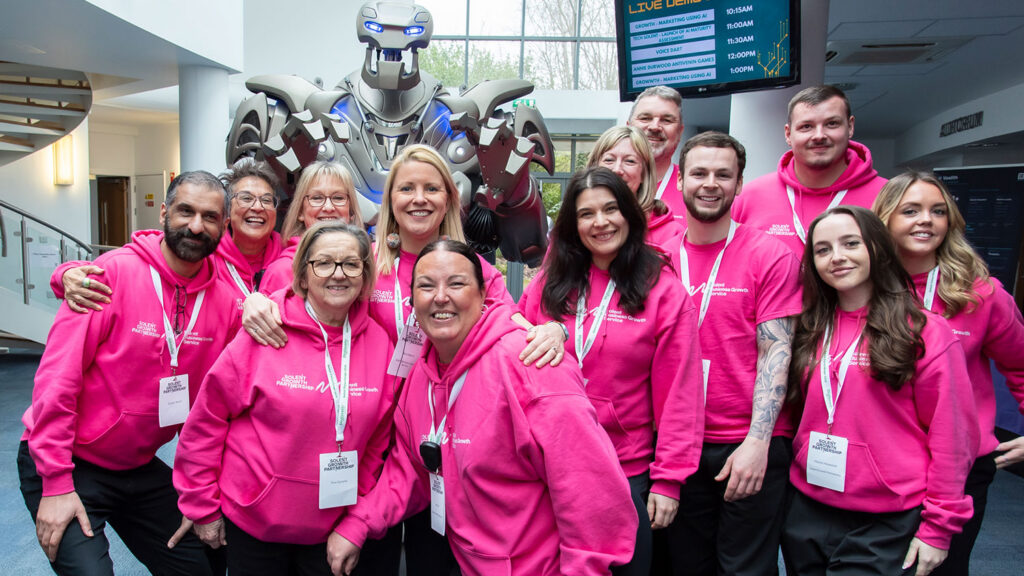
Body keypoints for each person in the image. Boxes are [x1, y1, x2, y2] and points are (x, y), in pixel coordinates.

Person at [328, 240, 639, 576]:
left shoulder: (530, 364)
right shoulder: (421, 376)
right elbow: (410, 471)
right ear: (412, 301)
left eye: (457, 283)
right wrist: (358, 524)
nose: (440, 296)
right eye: (426, 286)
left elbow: (592, 492)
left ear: (483, 295)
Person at [17, 171, 241, 575]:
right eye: (185, 211)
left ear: (224, 226)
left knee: (204, 563)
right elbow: (57, 383)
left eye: (209, 216)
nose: (196, 225)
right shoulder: (108, 276)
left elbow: (219, 407)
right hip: (65, 459)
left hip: (136, 465)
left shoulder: (225, 304)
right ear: (163, 213)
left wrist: (202, 496)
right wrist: (55, 484)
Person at [172, 222, 398, 575]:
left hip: (331, 528)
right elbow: (207, 421)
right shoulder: (265, 331)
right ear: (304, 276)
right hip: (254, 523)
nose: (338, 274)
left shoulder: (381, 345)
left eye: (351, 264)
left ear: (364, 276)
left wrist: (355, 519)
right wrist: (201, 504)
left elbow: (376, 444)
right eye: (324, 263)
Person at [518, 166, 703, 575]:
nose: (600, 222)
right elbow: (515, 347)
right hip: (552, 469)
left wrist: (669, 480)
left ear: (629, 216)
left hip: (624, 469)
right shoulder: (550, 283)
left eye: (611, 209)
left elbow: (681, 394)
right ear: (572, 224)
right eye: (586, 214)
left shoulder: (664, 290)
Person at [782, 205, 977, 576]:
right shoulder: (809, 328)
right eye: (823, 250)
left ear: (877, 248)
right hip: (808, 507)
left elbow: (952, 436)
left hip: (886, 517)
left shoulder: (924, 332)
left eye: (850, 243)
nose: (837, 257)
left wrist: (938, 528)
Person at [663, 132, 803, 576]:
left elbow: (776, 350)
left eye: (724, 175)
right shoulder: (656, 258)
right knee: (684, 566)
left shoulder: (771, 255)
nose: (710, 183)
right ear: (681, 180)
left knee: (745, 569)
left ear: (739, 185)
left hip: (747, 443)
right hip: (678, 444)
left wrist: (758, 443)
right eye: (699, 173)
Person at [872, 172, 1024, 575]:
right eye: (911, 211)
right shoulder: (859, 288)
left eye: (938, 212)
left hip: (957, 470)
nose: (926, 220)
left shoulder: (980, 295)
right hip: (880, 468)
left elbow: (1021, 365)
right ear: (883, 219)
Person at [51, 158, 285, 310]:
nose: (258, 207)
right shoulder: (201, 252)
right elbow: (154, 251)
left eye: (267, 200)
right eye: (246, 198)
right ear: (227, 213)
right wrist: (64, 274)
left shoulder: (291, 263)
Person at [733, 85, 887, 257]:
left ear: (850, 127)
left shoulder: (887, 196)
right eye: (806, 126)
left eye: (832, 124)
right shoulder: (749, 197)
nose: (819, 135)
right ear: (788, 134)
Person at [258, 160, 364, 294]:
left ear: (351, 211)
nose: (328, 207)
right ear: (300, 212)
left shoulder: (365, 267)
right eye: (317, 198)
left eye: (338, 198)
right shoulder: (282, 271)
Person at [586, 126, 685, 249]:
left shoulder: (673, 235)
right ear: (593, 169)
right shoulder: (573, 227)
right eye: (609, 160)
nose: (617, 169)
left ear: (644, 174)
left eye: (630, 161)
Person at [627, 86, 686, 221]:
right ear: (628, 127)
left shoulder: (694, 188)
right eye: (645, 118)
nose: (655, 127)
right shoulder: (606, 184)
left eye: (667, 120)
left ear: (680, 132)